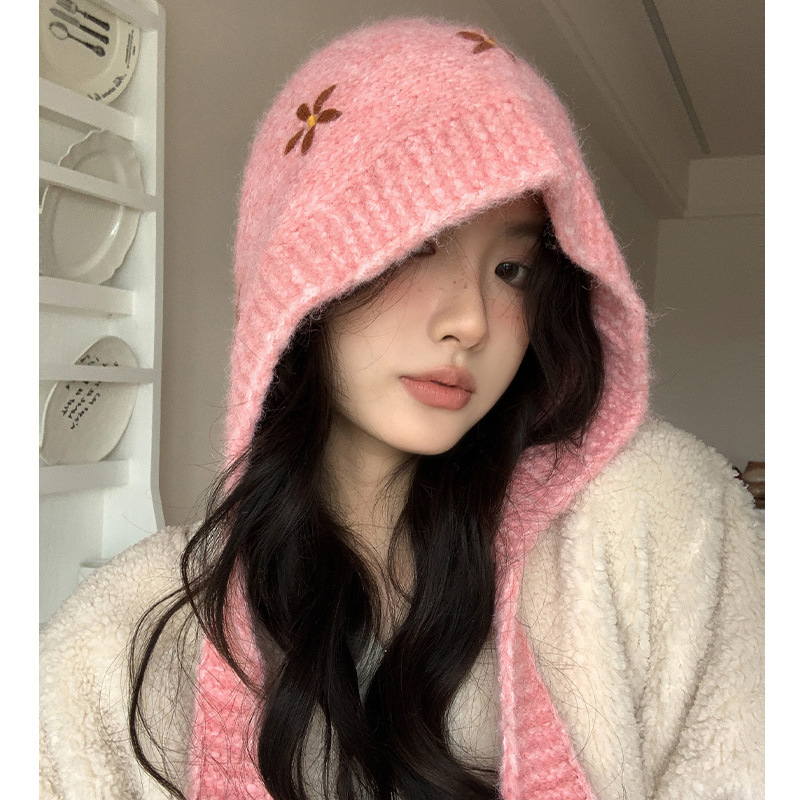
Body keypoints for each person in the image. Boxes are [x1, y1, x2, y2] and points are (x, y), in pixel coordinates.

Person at [39, 17, 764, 800]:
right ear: (298, 276)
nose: (472, 321)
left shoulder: (655, 525)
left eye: (514, 269)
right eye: (418, 244)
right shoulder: (118, 651)